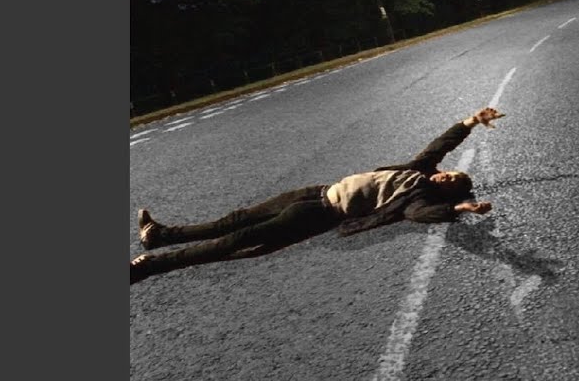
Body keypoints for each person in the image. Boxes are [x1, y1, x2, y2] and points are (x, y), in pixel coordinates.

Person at [130, 107, 505, 284]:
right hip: (316, 192)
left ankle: (149, 266)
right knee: (236, 219)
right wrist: (471, 122)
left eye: (451, 181)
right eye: (449, 172)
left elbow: (421, 216)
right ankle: (161, 235)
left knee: (236, 239)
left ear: (447, 191)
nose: (445, 175)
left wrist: (459, 208)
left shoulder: (417, 198)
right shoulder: (420, 168)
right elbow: (441, 144)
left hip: (319, 213)